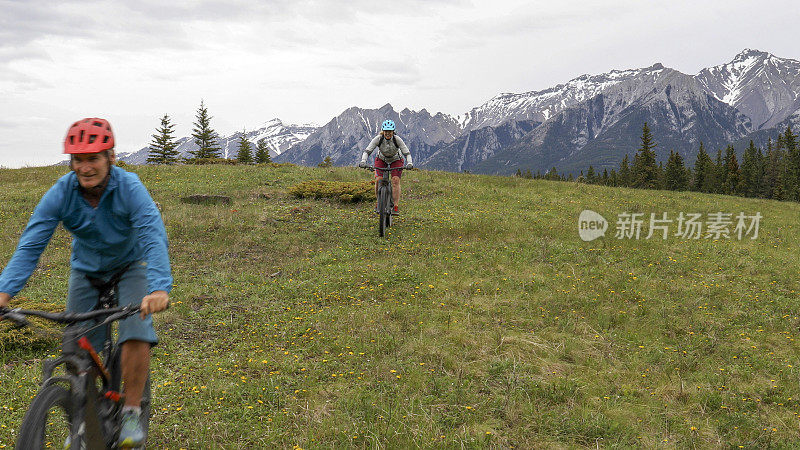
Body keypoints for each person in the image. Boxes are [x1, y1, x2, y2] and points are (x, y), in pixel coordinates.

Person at [0, 118, 171, 448]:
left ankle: (132, 410)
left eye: (93, 158)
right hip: (86, 272)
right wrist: (4, 291)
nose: (86, 167)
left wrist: (159, 287)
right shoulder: (61, 193)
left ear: (110, 157)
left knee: (136, 330)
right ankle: (82, 418)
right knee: (76, 347)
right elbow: (32, 243)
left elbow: (152, 234)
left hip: (129, 267)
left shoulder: (130, 187)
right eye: (78, 159)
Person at [358, 119, 413, 214]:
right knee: (378, 180)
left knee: (395, 181)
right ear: (383, 131)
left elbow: (407, 153)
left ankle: (395, 206)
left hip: (396, 160)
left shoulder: (397, 139)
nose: (388, 133)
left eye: (390, 131)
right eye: (386, 131)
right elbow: (367, 151)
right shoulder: (378, 139)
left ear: (393, 131)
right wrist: (363, 161)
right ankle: (378, 202)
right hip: (381, 159)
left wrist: (409, 163)